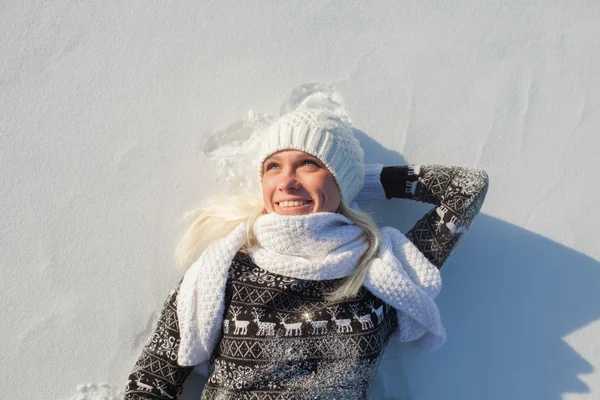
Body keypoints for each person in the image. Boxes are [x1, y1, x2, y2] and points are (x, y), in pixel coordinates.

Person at [124, 108, 489, 399]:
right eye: (273, 167)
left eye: (308, 164)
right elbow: (150, 384)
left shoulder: (382, 269)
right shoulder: (224, 270)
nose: (286, 180)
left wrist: (356, 179)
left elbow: (466, 188)